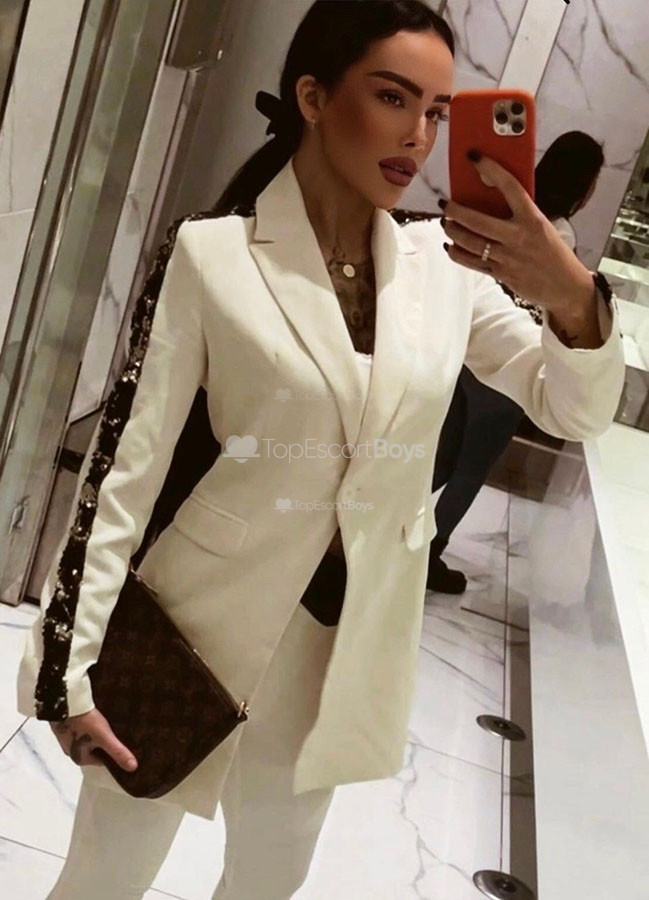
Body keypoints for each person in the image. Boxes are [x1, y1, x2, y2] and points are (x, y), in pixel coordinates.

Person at [14, 3, 623, 898]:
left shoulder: (444, 270)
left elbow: (572, 409)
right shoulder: (213, 254)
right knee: (104, 880)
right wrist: (65, 672)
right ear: (313, 96)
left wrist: (569, 295)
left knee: (268, 883)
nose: (418, 137)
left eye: (437, 113)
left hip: (340, 654)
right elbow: (123, 472)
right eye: (393, 97)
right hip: (189, 635)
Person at [427, 131, 605, 594]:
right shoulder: (557, 234)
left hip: (470, 345)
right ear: (583, 185)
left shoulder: (511, 211)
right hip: (509, 354)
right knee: (472, 465)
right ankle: (429, 552)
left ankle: (395, 529)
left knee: (444, 453)